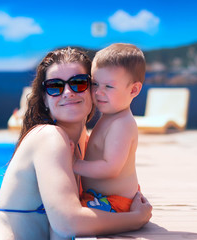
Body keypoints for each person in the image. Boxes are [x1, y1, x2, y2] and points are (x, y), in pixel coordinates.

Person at [0, 47, 152, 240]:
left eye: (79, 83)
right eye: (55, 86)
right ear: (45, 99)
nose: (68, 92)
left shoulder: (84, 142)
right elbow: (67, 223)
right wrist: (136, 218)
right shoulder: (49, 137)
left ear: (92, 89)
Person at [73, 43, 145, 214]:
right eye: (95, 84)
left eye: (109, 86)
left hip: (113, 202)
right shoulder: (111, 116)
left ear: (134, 90)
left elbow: (111, 168)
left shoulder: (122, 124)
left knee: (69, 215)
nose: (98, 92)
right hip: (104, 197)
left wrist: (74, 164)